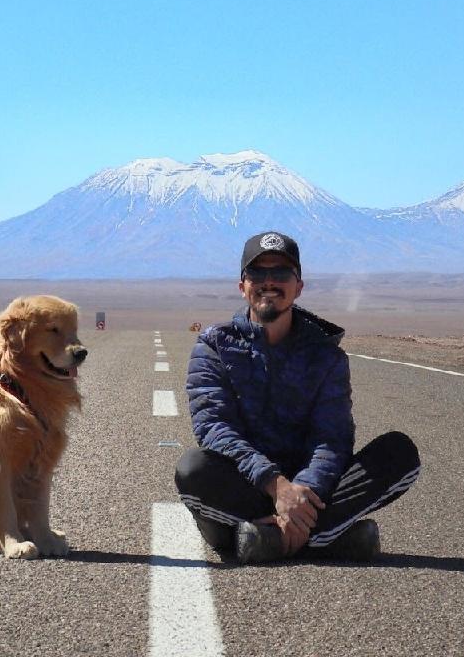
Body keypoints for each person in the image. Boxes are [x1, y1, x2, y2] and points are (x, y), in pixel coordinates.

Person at [175, 231, 421, 563]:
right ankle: (329, 536)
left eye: (281, 273)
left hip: (310, 494)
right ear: (242, 285)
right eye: (258, 273)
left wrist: (302, 491)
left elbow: (331, 437)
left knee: (398, 453)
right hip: (244, 487)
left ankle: (270, 537)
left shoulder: (326, 356)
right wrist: (275, 486)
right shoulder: (214, 346)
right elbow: (214, 429)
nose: (269, 282)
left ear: (299, 286)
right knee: (193, 469)